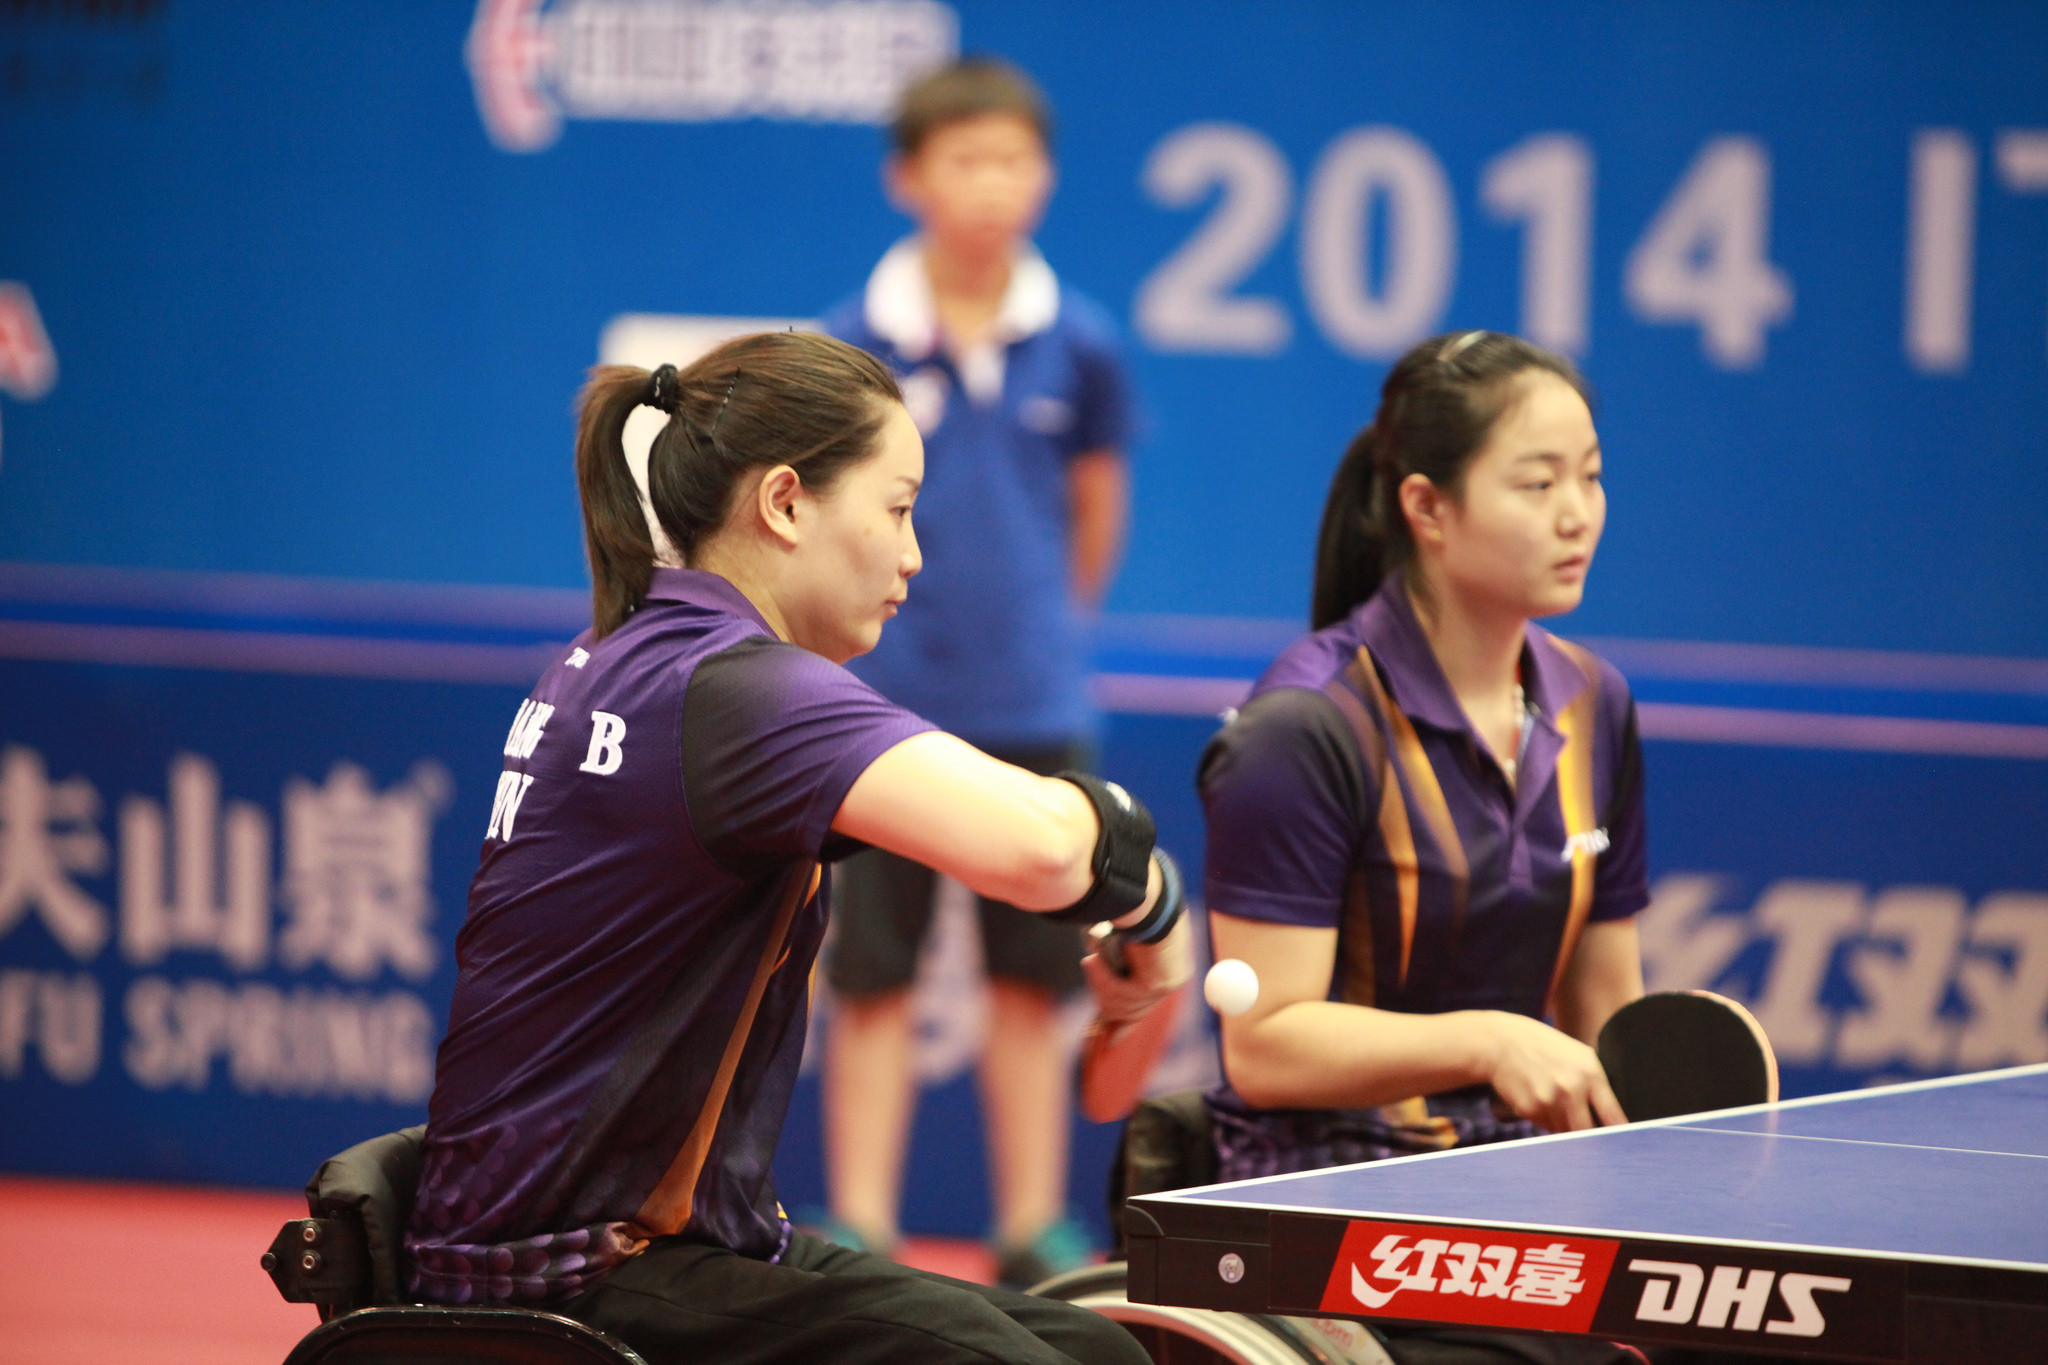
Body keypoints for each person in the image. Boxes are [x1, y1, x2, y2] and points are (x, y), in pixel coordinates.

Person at [403, 331, 1186, 1365]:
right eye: (899, 509)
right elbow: (1041, 851)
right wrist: (1153, 893)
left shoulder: (626, 653)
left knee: (1108, 1353)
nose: (913, 554)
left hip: (637, 1241)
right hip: (572, 1276)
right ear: (784, 504)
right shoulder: (741, 690)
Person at [818, 57, 1138, 1287]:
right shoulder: (852, 344)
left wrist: (1043, 634)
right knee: (871, 981)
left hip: (1036, 711)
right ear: (909, 177)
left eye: (1013, 160)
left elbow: (1092, 516)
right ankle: (859, 1222)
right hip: (877, 714)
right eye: (965, 159)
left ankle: (1026, 1227)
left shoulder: (1084, 346)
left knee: (1029, 988)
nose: (992, 184)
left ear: (1043, 177)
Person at [1199, 329, 1646, 1199]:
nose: (1577, 513)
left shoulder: (1595, 703)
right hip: (1331, 1178)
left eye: (1590, 476)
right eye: (1538, 482)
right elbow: (1264, 1048)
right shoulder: (1305, 728)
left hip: (1526, 1171)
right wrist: (1489, 1040)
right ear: (1428, 507)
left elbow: (1605, 1008)